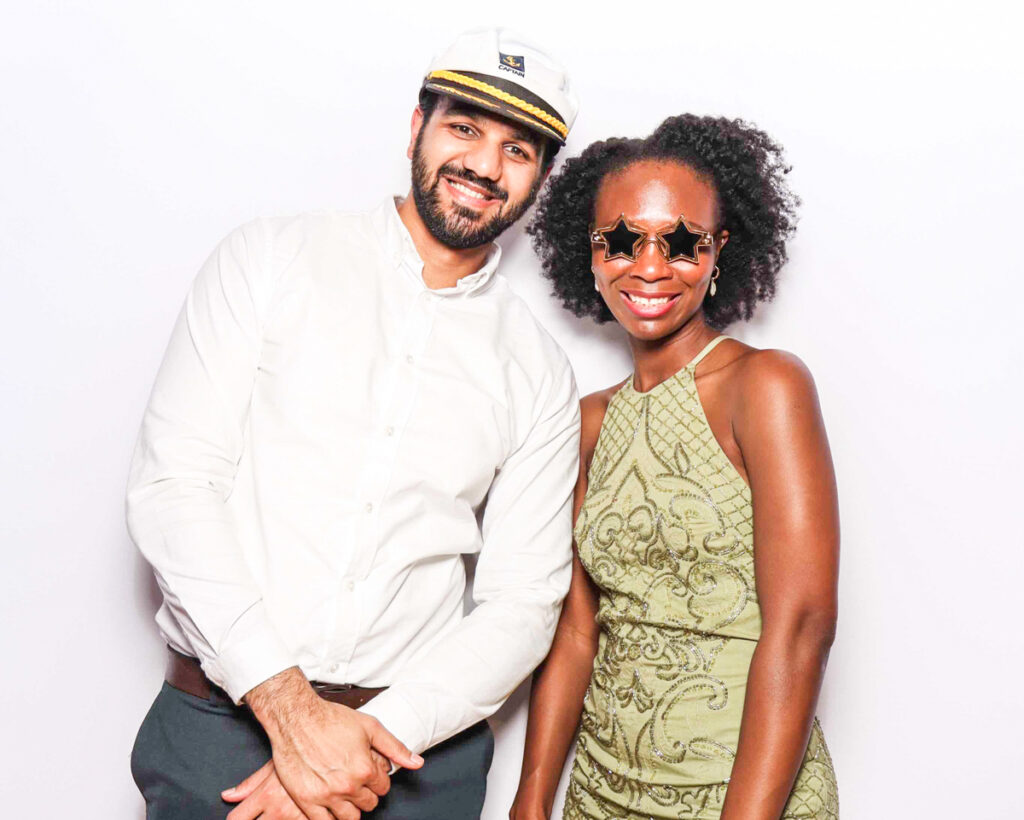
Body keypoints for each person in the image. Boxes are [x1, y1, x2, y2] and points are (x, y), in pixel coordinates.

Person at [127, 27, 582, 820]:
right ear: (416, 127)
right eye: (464, 128)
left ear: (540, 177)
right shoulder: (269, 258)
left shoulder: (538, 369)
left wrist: (365, 738)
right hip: (220, 732)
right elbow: (174, 487)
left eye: (518, 150)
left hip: (412, 760)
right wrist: (289, 710)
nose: (483, 164)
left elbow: (525, 603)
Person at [510, 115, 840, 820]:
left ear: (719, 250)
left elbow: (803, 624)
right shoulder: (590, 421)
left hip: (737, 796)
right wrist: (532, 797)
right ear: (593, 253)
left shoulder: (766, 388)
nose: (651, 267)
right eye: (623, 241)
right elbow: (576, 631)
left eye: (683, 242)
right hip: (598, 794)